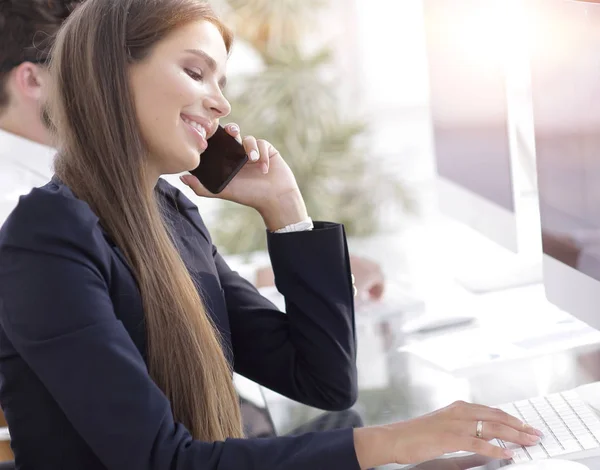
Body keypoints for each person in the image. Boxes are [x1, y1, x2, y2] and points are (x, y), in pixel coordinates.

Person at [0, 1, 542, 469]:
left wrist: (286, 211)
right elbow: (162, 462)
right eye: (196, 72)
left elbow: (323, 382)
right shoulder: (45, 240)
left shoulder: (168, 212)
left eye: (221, 83)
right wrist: (395, 440)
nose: (220, 102)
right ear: (111, 75)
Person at [0, 0, 385, 303]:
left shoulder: (164, 201)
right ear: (32, 78)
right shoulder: (25, 216)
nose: (90, 74)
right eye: (75, 61)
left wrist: (285, 214)